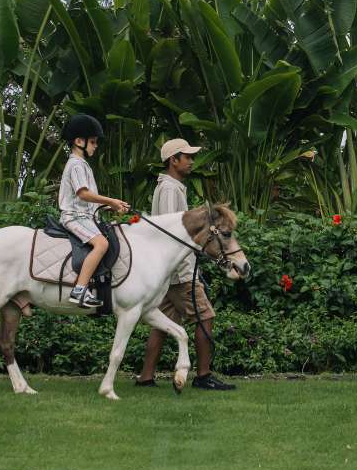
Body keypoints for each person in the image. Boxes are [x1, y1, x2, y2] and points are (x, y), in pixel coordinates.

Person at [136, 138, 236, 391]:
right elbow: (173, 231)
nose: (192, 161)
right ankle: (203, 375)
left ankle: (146, 378)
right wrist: (187, 271)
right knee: (205, 316)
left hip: (169, 271)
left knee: (161, 325)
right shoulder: (170, 189)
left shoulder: (172, 187)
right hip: (179, 271)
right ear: (173, 160)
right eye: (187, 157)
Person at [59, 114, 129, 308]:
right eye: (92, 142)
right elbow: (83, 194)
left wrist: (112, 206)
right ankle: (79, 290)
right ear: (78, 141)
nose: (95, 146)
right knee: (101, 244)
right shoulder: (76, 165)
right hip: (74, 217)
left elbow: (89, 200)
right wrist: (111, 200)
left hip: (85, 216)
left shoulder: (82, 165)